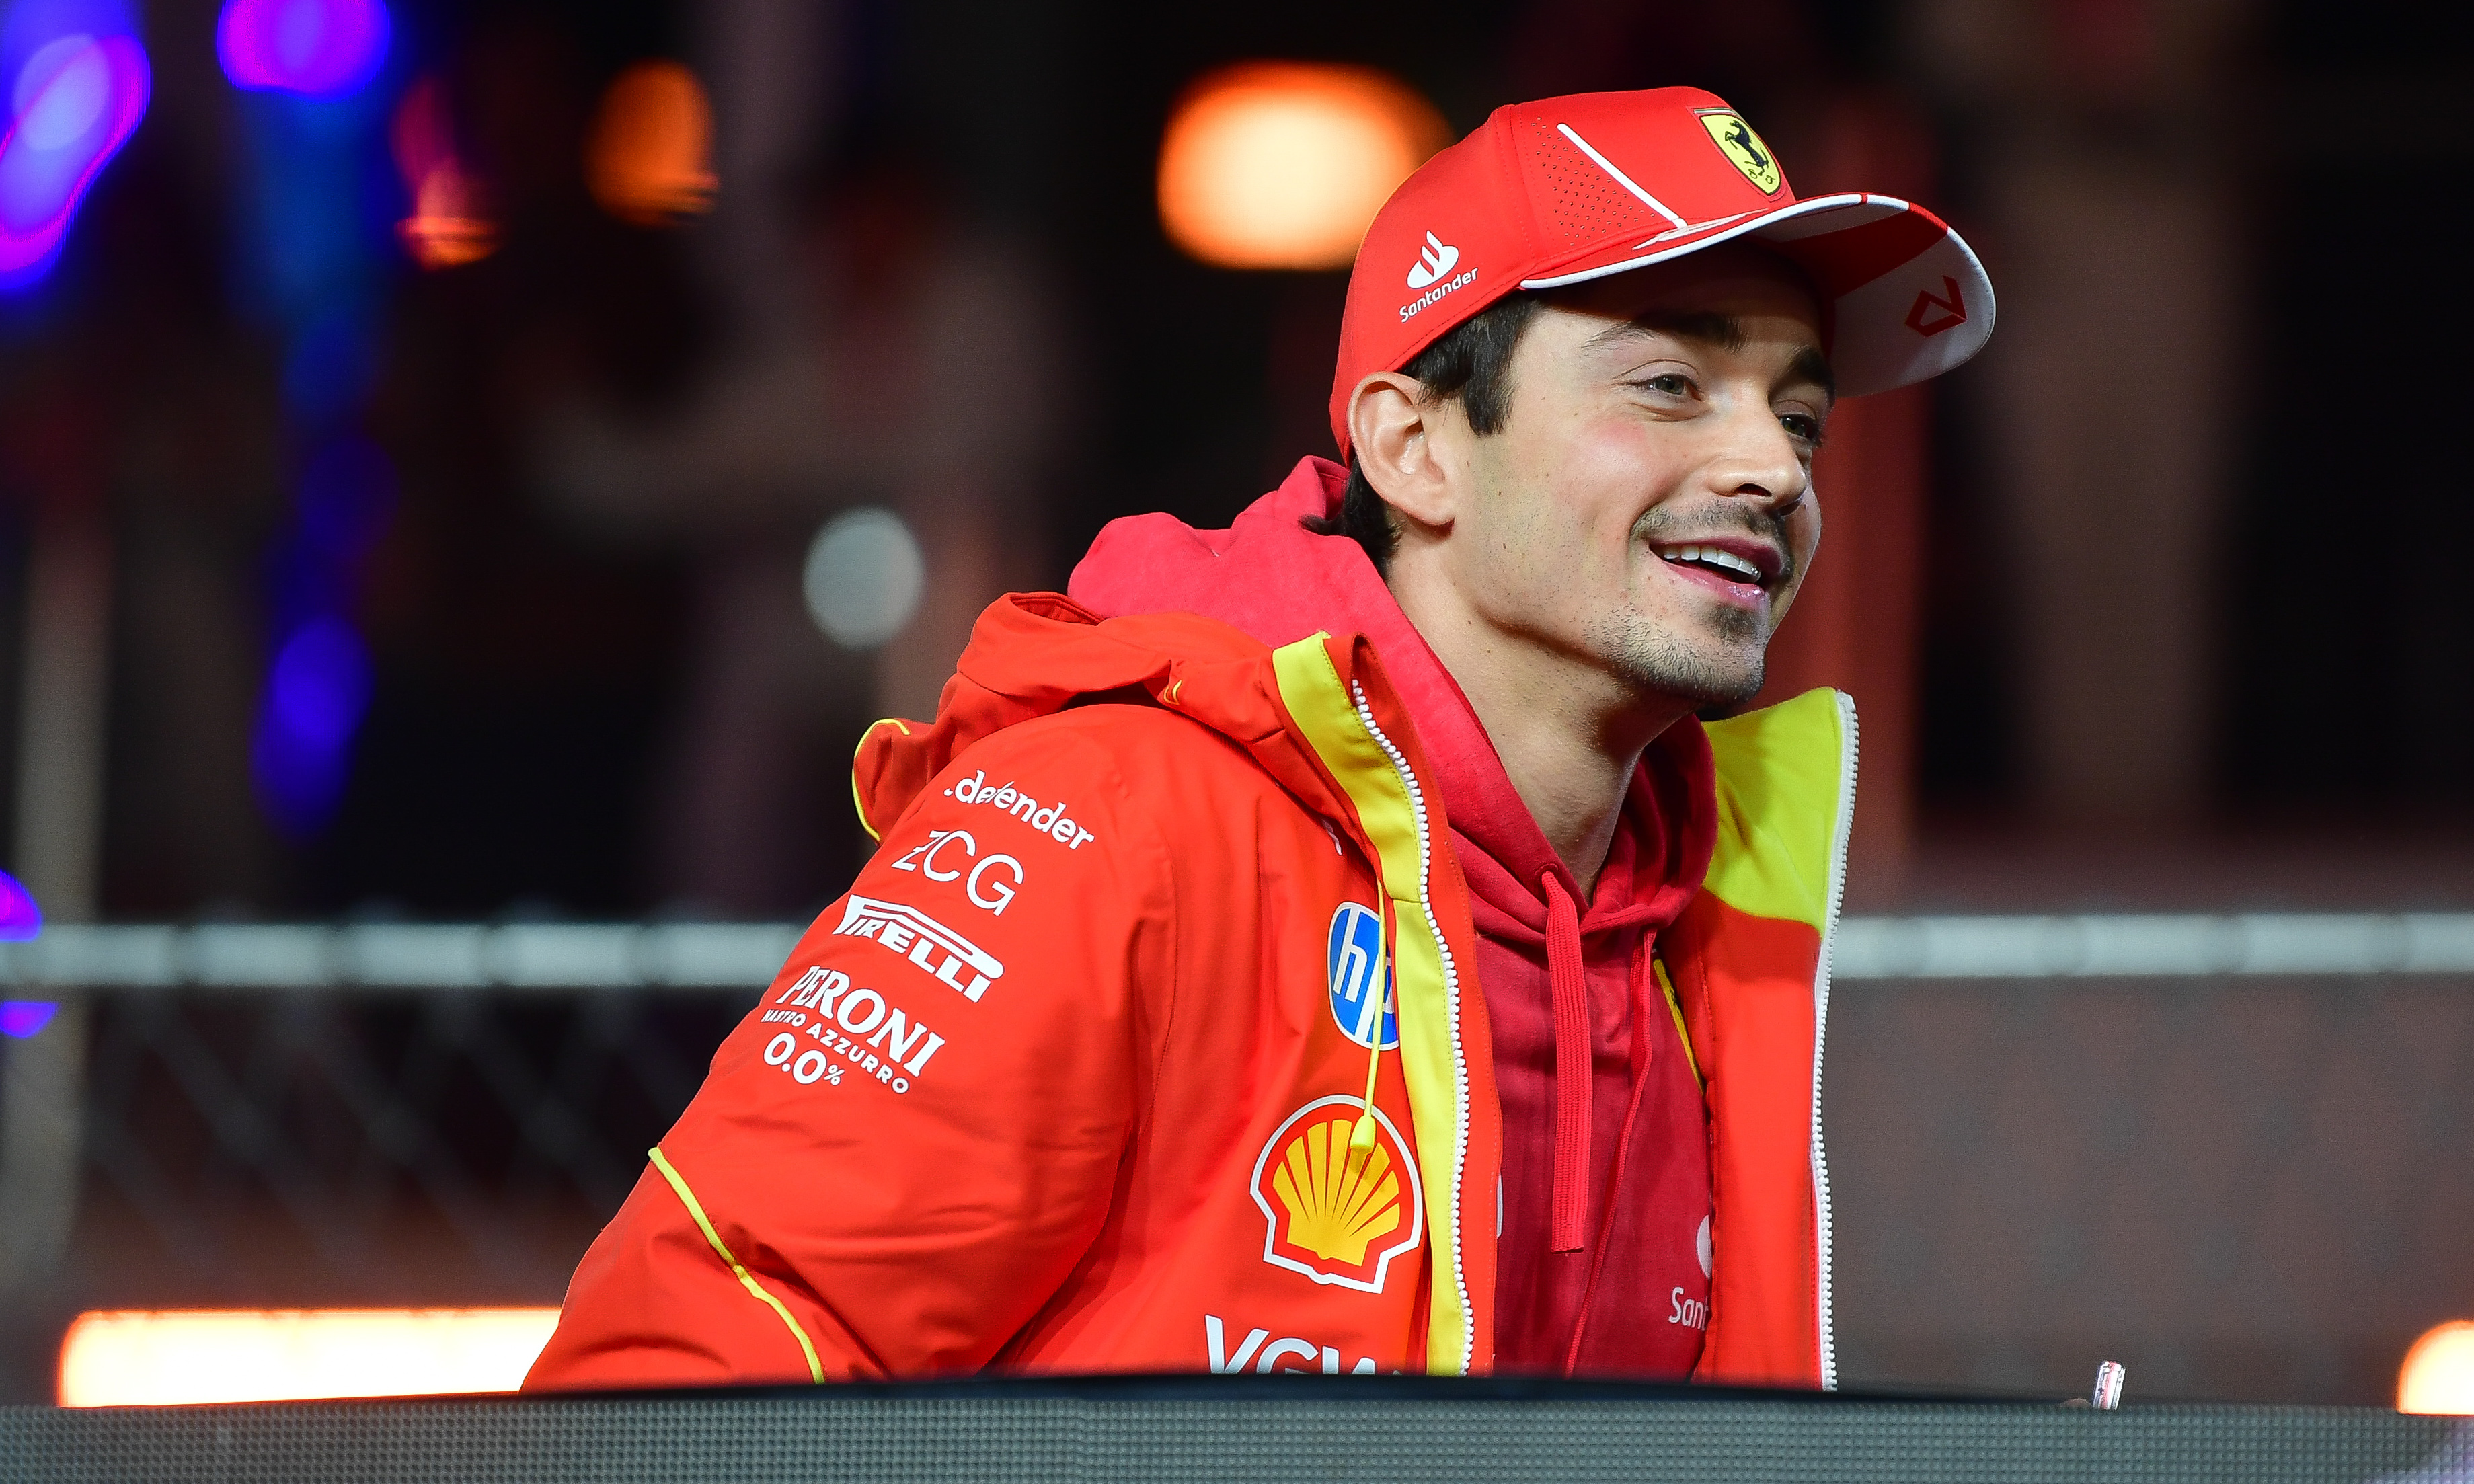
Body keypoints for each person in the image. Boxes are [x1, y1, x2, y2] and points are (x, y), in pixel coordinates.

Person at [525, 86, 1993, 1390]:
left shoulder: (1699, 918)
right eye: (1671, 385)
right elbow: (675, 1392)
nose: (1771, 468)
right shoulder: (1110, 817)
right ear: (1413, 448)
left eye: (1801, 419)